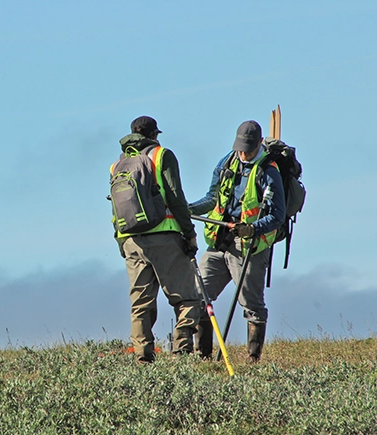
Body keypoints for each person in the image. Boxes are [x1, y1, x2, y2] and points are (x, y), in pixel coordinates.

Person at [189, 120, 286, 363]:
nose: (243, 153)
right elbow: (212, 197)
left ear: (257, 145)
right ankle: (203, 359)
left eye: (248, 149)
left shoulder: (269, 171)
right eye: (240, 147)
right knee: (198, 296)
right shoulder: (226, 162)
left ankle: (253, 360)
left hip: (250, 247)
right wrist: (188, 209)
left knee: (251, 304)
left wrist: (252, 229)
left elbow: (278, 215)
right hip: (219, 241)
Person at [113, 115, 201, 364]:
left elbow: (115, 211)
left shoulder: (118, 164)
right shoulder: (162, 156)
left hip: (131, 241)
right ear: (154, 135)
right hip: (165, 237)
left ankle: (143, 357)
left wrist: (121, 243)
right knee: (186, 297)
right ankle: (182, 350)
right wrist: (189, 233)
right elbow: (176, 197)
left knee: (141, 302)